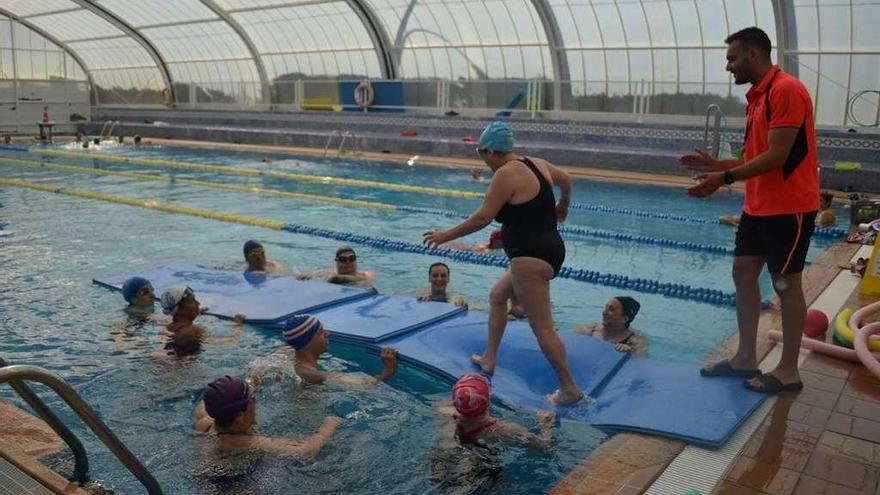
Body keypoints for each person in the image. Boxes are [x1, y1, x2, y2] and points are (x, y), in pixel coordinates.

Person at [681, 27, 819, 394]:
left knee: (786, 285)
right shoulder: (757, 97)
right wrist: (718, 163)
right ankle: (745, 358)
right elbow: (753, 156)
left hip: (789, 207)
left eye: (732, 58)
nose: (728, 66)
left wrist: (723, 178)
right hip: (759, 205)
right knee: (743, 272)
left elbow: (777, 156)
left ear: (754, 54)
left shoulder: (786, 90)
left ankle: (788, 371)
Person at [423, 121, 583, 405]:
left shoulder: (505, 174)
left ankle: (569, 388)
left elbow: (483, 218)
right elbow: (567, 178)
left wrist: (445, 235)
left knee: (543, 328)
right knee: (498, 296)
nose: (484, 163)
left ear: (490, 151)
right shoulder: (536, 163)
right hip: (550, 248)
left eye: (482, 156)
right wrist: (563, 205)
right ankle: (489, 359)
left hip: (529, 257)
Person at [193, 375, 342, 457]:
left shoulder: (206, 422)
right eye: (252, 399)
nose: (255, 402)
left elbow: (205, 402)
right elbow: (306, 450)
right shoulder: (246, 443)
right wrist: (330, 424)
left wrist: (251, 382)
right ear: (239, 416)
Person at [282, 314, 398, 386]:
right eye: (321, 332)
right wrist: (388, 370)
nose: (328, 334)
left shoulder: (291, 359)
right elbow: (364, 386)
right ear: (307, 341)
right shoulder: (314, 375)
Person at [159, 285, 245, 354]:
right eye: (193, 301)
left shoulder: (167, 328)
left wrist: (196, 312)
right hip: (186, 370)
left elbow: (181, 316)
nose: (198, 303)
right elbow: (227, 343)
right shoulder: (195, 330)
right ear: (182, 309)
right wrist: (238, 326)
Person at [572, 297, 649, 357]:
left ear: (624, 318)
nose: (604, 312)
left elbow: (641, 362)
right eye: (605, 308)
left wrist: (630, 353)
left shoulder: (635, 339)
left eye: (611, 310)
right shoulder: (589, 329)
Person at [298, 246, 375, 286]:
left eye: (351, 258)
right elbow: (307, 275)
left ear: (356, 260)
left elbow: (336, 278)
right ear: (337, 262)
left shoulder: (366, 274)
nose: (348, 262)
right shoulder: (328, 272)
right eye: (343, 259)